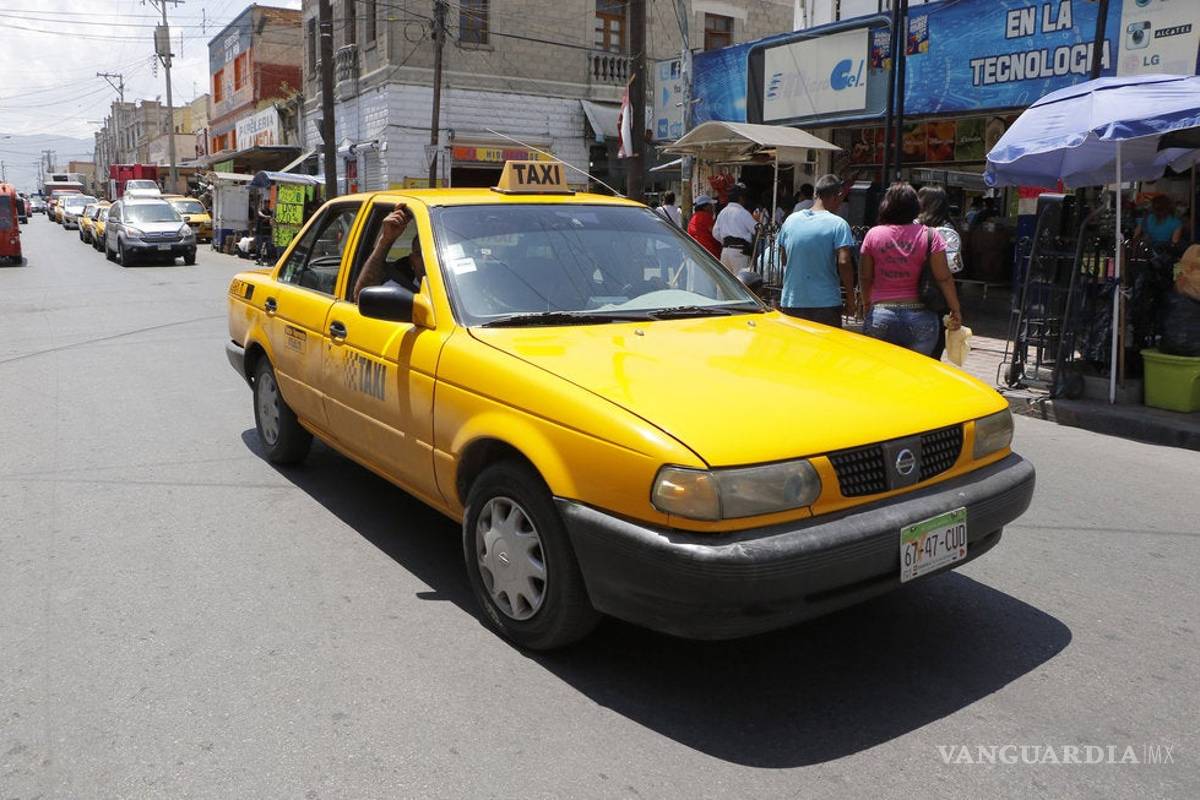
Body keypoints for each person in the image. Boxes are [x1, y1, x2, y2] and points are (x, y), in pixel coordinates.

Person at [859, 182, 962, 356]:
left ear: (886, 205)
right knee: (918, 376)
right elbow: (943, 278)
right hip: (921, 316)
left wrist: (866, 303)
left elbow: (865, 277)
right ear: (916, 207)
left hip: (881, 314)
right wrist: (955, 309)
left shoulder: (873, 234)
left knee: (881, 374)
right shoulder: (931, 235)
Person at [776, 173, 857, 327]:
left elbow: (784, 258)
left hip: (792, 301)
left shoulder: (790, 221)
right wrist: (851, 299)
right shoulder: (838, 224)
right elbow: (844, 261)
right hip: (826, 303)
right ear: (837, 196)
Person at [918, 185, 963, 360]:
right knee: (933, 353)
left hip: (917, 295)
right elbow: (950, 271)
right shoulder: (948, 229)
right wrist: (955, 308)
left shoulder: (915, 227)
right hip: (937, 299)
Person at [353, 202, 425, 301]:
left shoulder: (453, 289)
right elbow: (362, 298)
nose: (426, 261)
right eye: (420, 254)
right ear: (412, 261)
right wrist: (386, 240)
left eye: (432, 256)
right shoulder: (396, 290)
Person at [712, 183, 757, 275]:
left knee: (726, 283)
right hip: (739, 252)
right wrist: (757, 220)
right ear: (740, 198)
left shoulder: (723, 212)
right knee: (741, 282)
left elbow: (715, 232)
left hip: (725, 251)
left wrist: (726, 241)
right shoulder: (743, 213)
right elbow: (756, 229)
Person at [686, 194, 721, 259]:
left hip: (696, 251)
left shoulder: (693, 218)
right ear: (705, 207)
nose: (713, 207)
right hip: (708, 252)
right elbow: (715, 233)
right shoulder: (705, 217)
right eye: (710, 205)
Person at [254, 198, 274, 265]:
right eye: (266, 203)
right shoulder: (261, 211)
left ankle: (269, 260)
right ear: (264, 204)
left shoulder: (270, 212)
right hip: (260, 232)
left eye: (268, 203)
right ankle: (258, 259)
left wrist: (269, 219)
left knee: (269, 247)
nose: (267, 204)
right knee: (259, 246)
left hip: (268, 232)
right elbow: (260, 214)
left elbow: (271, 219)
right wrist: (266, 217)